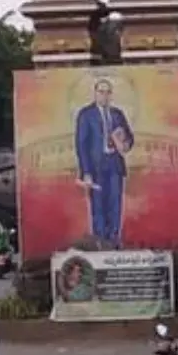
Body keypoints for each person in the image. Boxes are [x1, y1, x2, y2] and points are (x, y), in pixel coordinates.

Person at [74, 77, 134, 247]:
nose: (105, 96)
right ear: (95, 94)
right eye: (101, 92)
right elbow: (81, 144)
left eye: (108, 92)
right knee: (98, 205)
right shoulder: (86, 115)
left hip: (115, 165)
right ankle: (100, 240)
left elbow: (129, 137)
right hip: (95, 168)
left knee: (115, 204)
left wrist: (125, 143)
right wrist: (86, 171)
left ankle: (114, 239)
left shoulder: (117, 114)